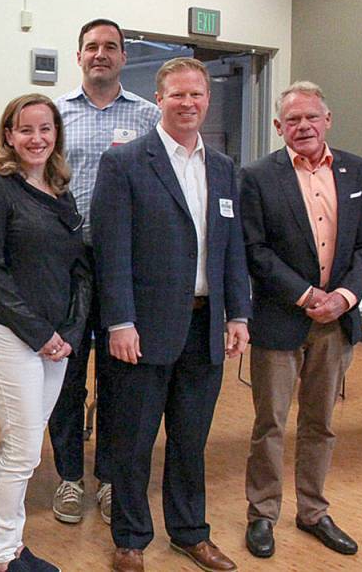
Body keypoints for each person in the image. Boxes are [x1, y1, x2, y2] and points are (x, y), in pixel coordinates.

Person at [91, 57, 251, 572]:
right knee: (133, 440)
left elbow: (232, 250)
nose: (187, 103)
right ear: (158, 100)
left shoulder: (224, 168)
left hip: (205, 327)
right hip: (142, 328)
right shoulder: (126, 162)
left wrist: (238, 314)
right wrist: (119, 322)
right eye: (177, 95)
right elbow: (111, 250)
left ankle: (189, 532)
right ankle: (132, 537)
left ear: (207, 100)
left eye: (196, 95)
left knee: (190, 440)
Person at [240, 81, 362, 559]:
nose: (303, 127)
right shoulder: (257, 176)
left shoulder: (357, 170)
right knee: (270, 424)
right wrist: (303, 294)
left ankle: (313, 511)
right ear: (278, 127)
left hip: (336, 323)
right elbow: (254, 249)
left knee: (321, 423)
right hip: (280, 319)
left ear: (327, 120)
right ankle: (262, 514)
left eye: (311, 118)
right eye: (292, 120)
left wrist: (342, 297)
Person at [0, 94, 90, 572]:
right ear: (9, 136)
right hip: (6, 335)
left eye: (45, 129)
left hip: (56, 344)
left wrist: (70, 334)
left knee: (28, 449)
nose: (36, 139)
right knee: (20, 449)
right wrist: (40, 334)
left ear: (56, 134)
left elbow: (80, 269)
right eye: (26, 130)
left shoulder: (63, 191)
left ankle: (12, 545)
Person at [50, 18, 159, 526]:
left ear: (122, 57)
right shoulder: (55, 116)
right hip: (67, 267)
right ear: (78, 57)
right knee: (66, 377)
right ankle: (70, 477)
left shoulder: (149, 117)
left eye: (110, 47)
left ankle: (113, 479)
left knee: (121, 380)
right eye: (91, 47)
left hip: (127, 270)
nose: (100, 54)